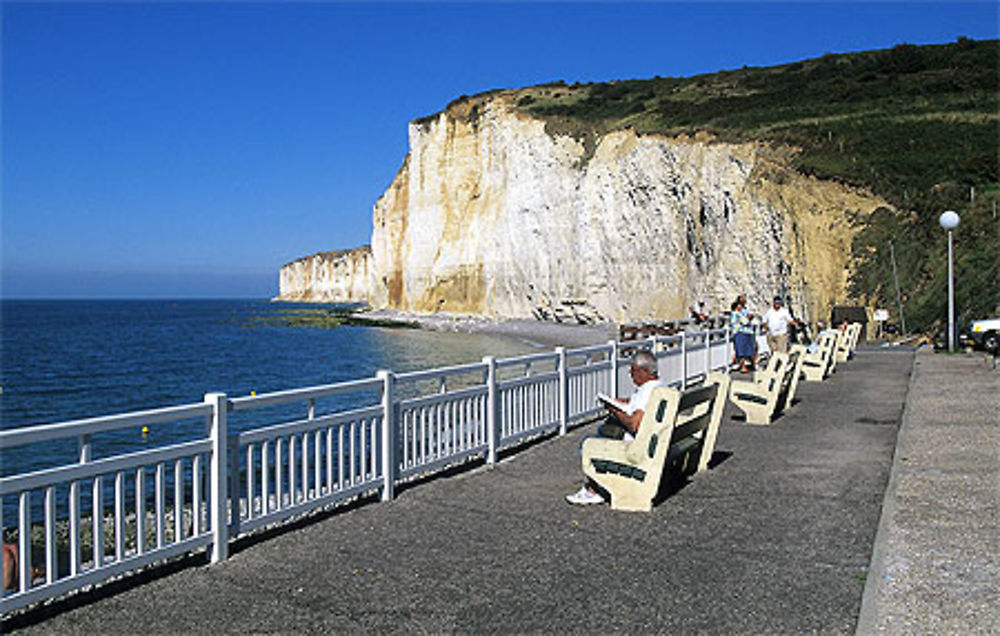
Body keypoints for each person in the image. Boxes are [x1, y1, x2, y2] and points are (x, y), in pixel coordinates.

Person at [566, 350, 665, 505]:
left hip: (638, 444)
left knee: (588, 444)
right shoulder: (658, 387)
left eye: (633, 371)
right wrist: (623, 402)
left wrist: (614, 410)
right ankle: (596, 488)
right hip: (657, 440)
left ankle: (594, 490)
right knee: (601, 434)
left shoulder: (647, 391)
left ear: (645, 371)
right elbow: (640, 407)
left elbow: (635, 424)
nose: (630, 374)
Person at [730, 296, 755, 373]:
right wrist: (748, 318)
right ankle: (743, 367)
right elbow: (746, 322)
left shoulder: (735, 314)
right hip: (741, 333)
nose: (740, 307)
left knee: (742, 351)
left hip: (741, 333)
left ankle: (743, 365)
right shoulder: (737, 314)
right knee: (742, 352)